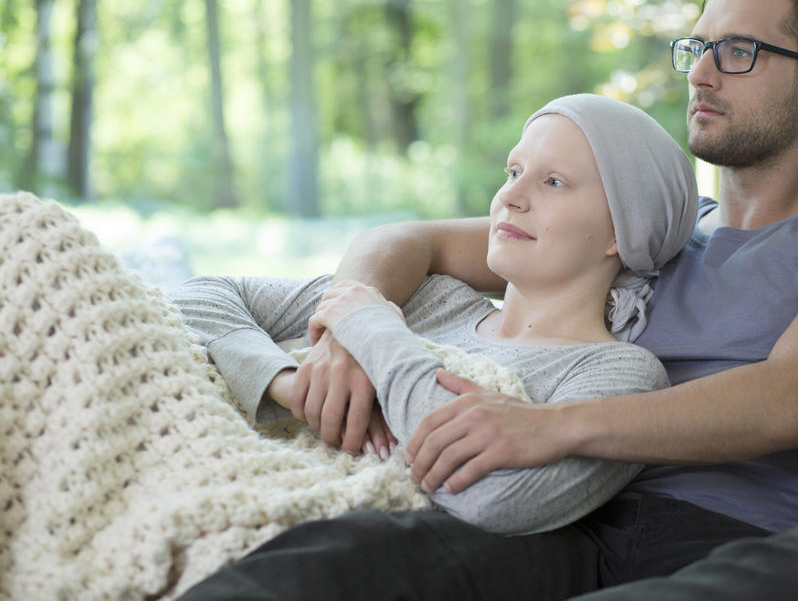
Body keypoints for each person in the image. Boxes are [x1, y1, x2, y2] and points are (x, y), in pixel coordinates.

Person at [179, 0, 798, 599]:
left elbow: (797, 394)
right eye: (697, 47)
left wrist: (552, 426)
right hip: (560, 514)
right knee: (346, 556)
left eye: (740, 51)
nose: (701, 74)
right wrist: (345, 332)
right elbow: (409, 239)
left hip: (719, 534)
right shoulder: (651, 232)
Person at [173, 93, 698, 535]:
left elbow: (501, 501)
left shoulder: (618, 373)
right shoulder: (431, 296)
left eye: (553, 182)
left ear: (621, 232)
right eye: (514, 171)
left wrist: (373, 331)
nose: (509, 197)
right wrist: (291, 386)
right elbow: (199, 298)